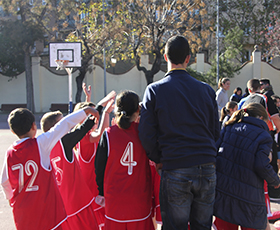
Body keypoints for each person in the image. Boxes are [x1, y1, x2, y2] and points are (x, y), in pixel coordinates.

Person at [138, 35, 220, 230]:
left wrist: (159, 158)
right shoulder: (207, 90)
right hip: (207, 166)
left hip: (176, 165)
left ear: (165, 58)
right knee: (203, 226)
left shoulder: (155, 90)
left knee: (175, 226)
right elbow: (216, 131)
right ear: (188, 58)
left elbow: (146, 133)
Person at [0, 106, 99, 230]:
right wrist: (85, 111)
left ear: (13, 131)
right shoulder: (40, 144)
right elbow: (63, 125)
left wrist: (10, 198)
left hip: (22, 215)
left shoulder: (9, 153)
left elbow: (4, 181)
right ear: (33, 126)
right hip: (45, 213)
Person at [40, 100, 113, 230]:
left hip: (63, 205)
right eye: (62, 122)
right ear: (56, 128)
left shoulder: (43, 148)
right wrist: (98, 110)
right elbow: (81, 130)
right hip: (78, 204)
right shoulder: (63, 142)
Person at [213, 103, 280, 230]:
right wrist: (275, 181)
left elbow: (216, 153)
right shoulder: (263, 135)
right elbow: (261, 164)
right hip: (249, 195)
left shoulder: (229, 127)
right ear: (261, 118)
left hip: (224, 191)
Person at [95, 90, 154, 230]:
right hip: (139, 198)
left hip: (115, 200)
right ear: (138, 110)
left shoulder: (108, 134)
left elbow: (99, 168)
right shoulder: (144, 133)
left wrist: (101, 192)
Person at [75, 84, 116, 230]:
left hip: (94, 188)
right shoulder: (86, 138)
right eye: (92, 116)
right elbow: (101, 133)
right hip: (91, 192)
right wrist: (105, 111)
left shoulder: (83, 136)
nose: (95, 118)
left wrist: (88, 98)